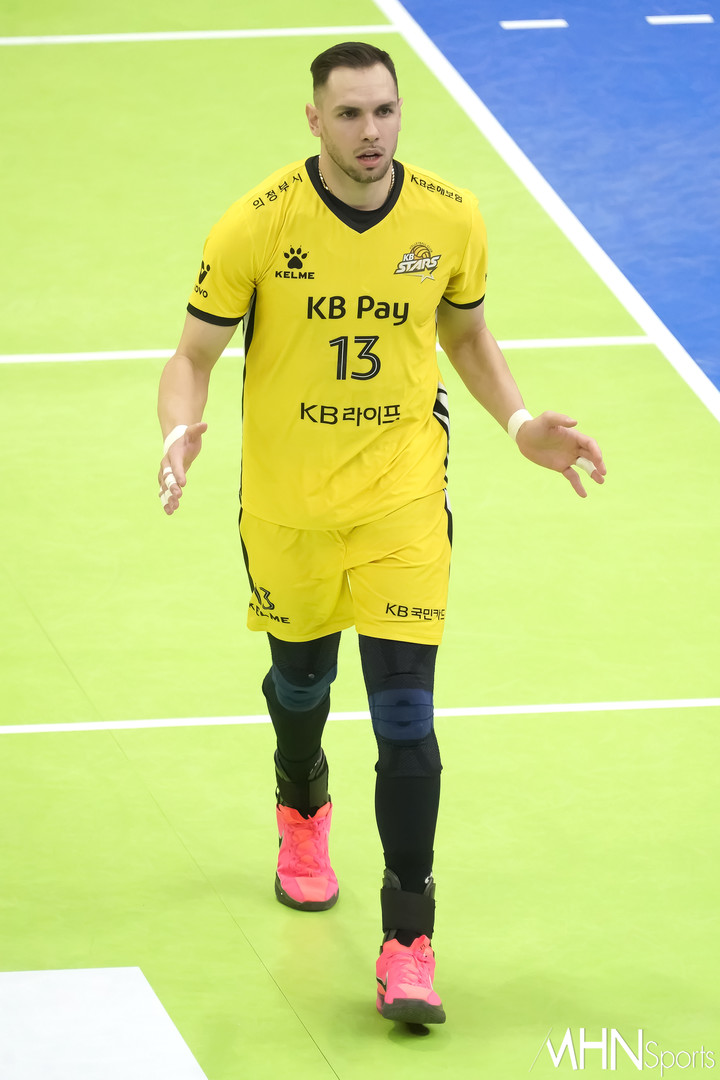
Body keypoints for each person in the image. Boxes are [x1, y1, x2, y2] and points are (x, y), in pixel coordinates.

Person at [156, 41, 606, 1026]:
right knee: (301, 686)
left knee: (406, 718)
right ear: (314, 119)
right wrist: (177, 431)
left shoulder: (449, 215)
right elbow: (192, 355)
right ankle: (301, 804)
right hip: (287, 509)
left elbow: (465, 333)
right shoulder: (258, 223)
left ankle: (408, 941)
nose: (372, 132)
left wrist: (520, 424)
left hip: (402, 501)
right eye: (351, 114)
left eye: (386, 112)